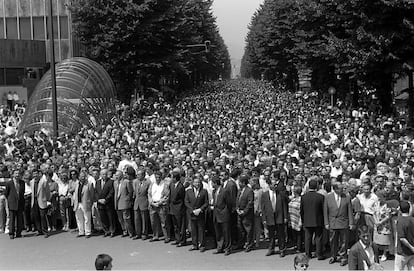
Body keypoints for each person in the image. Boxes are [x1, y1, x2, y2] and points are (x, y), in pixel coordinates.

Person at [324, 182, 354, 266]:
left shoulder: (347, 197)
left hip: (343, 222)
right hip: (332, 222)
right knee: (333, 240)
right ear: (335, 189)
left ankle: (343, 257)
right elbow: (325, 211)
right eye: (340, 188)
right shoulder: (328, 197)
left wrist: (351, 223)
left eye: (343, 188)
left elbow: (350, 211)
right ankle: (333, 255)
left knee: (344, 241)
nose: (342, 190)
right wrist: (326, 222)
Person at [261, 176, 288, 257]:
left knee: (281, 234)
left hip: (279, 216)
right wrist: (264, 219)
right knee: (271, 235)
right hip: (270, 217)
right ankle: (271, 249)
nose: (275, 186)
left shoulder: (280, 194)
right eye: (273, 184)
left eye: (276, 184)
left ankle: (282, 249)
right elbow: (263, 208)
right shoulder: (265, 195)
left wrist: (286, 217)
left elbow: (284, 206)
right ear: (269, 185)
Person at [300, 176, 325, 260]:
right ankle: (319, 254)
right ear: (317, 186)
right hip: (318, 220)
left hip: (307, 220)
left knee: (308, 238)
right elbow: (323, 210)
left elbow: (301, 210)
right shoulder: (320, 197)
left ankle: (308, 254)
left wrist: (303, 220)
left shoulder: (304, 197)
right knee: (318, 238)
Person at [185, 176, 209, 252]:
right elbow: (186, 202)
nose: (197, 184)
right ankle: (194, 244)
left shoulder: (204, 191)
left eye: (198, 182)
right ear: (192, 183)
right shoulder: (188, 191)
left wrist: (200, 209)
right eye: (195, 182)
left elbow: (206, 202)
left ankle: (202, 245)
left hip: (200, 213)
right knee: (193, 230)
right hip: (192, 213)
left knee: (201, 229)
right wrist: (192, 210)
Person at [212, 173, 232, 256]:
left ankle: (227, 248)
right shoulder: (214, 191)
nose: (212, 185)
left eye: (213, 183)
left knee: (226, 232)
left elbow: (229, 203)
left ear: (216, 183)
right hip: (216, 214)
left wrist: (226, 211)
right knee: (218, 232)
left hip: (224, 214)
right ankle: (220, 247)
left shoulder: (224, 191)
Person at [148, 170, 169, 242]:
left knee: (164, 222)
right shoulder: (152, 184)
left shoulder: (165, 185)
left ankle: (166, 237)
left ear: (161, 177)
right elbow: (149, 194)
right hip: (153, 205)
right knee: (153, 222)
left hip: (161, 205)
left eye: (159, 177)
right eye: (156, 177)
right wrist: (152, 202)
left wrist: (160, 202)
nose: (157, 179)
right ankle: (155, 236)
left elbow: (166, 196)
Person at [73, 171, 95, 238]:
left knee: (87, 218)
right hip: (78, 203)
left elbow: (92, 194)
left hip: (85, 203)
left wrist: (90, 202)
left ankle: (88, 232)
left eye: (83, 176)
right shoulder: (77, 184)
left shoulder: (89, 184)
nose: (82, 178)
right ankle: (81, 232)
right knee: (79, 218)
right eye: (81, 176)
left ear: (85, 177)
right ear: (79, 177)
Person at [235, 174, 254, 252]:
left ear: (243, 182)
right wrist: (237, 209)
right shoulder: (240, 190)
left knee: (248, 230)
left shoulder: (249, 191)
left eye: (240, 182)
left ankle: (249, 244)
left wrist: (244, 211)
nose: (239, 183)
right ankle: (241, 244)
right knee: (240, 229)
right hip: (239, 213)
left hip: (247, 214)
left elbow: (250, 203)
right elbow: (237, 200)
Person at [114, 168, 134, 238]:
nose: (116, 177)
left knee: (127, 218)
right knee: (120, 219)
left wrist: (127, 199)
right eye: (116, 175)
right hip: (117, 202)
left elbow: (130, 192)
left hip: (125, 202)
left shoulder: (126, 182)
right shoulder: (115, 183)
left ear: (121, 175)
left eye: (118, 175)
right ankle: (124, 231)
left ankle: (130, 232)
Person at [5, 169, 25, 239]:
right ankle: (11, 233)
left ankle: (19, 233)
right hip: (12, 203)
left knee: (19, 219)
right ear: (13, 175)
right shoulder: (9, 183)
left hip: (20, 203)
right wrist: (10, 201)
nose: (17, 175)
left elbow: (22, 193)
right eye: (16, 173)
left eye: (18, 173)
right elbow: (6, 194)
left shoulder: (22, 182)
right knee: (12, 219)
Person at [30, 167, 50, 237]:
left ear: (39, 174)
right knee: (36, 216)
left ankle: (45, 231)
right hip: (34, 200)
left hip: (42, 200)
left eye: (36, 174)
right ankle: (39, 231)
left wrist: (47, 200)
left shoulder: (44, 181)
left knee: (42, 216)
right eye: (34, 174)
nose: (35, 175)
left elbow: (47, 192)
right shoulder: (31, 182)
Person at [168, 170, 186, 246]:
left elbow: (182, 198)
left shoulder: (181, 186)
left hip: (179, 209)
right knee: (175, 225)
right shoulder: (172, 185)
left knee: (180, 225)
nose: (171, 179)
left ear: (175, 178)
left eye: (172, 177)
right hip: (172, 208)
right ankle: (177, 239)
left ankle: (182, 240)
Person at [395, 200, 414, 270]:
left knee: (398, 269)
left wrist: (411, 247)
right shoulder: (412, 219)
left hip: (402, 252)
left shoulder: (400, 221)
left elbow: (402, 238)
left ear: (400, 209)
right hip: (412, 253)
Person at [96, 169, 116, 237]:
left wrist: (105, 200)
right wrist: (98, 200)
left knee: (111, 218)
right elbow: (96, 192)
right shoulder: (97, 182)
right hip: (100, 203)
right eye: (102, 174)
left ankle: (112, 231)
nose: (104, 175)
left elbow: (111, 192)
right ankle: (106, 231)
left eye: (105, 174)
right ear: (100, 175)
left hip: (108, 203)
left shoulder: (111, 181)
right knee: (103, 218)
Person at [132, 169, 151, 240]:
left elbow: (148, 193)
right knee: (137, 219)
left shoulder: (148, 182)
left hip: (144, 202)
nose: (137, 176)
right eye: (137, 174)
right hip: (137, 203)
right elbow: (134, 192)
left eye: (139, 174)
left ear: (143, 175)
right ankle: (138, 233)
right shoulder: (135, 182)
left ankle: (144, 233)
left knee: (144, 220)